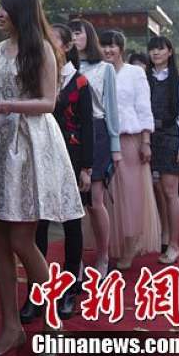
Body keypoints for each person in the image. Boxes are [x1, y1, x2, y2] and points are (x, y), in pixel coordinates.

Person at [0, 0, 83, 356]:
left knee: (22, 239)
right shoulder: (0, 49)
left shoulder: (43, 50)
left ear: (19, 10)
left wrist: (3, 103)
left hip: (31, 144)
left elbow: (48, 102)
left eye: (4, 8)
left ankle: (54, 321)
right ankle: (11, 329)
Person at [27, 23, 94, 321]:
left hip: (72, 157)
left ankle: (69, 288)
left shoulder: (79, 82)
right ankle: (36, 292)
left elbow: (89, 128)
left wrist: (87, 169)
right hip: (41, 156)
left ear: (67, 47)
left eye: (52, 39)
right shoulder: (37, 76)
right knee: (37, 224)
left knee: (71, 224)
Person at [100, 30, 160, 268]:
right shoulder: (97, 71)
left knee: (132, 194)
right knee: (109, 195)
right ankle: (111, 245)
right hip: (104, 140)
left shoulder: (135, 73)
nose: (108, 50)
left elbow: (144, 107)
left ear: (121, 49)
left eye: (112, 46)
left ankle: (131, 245)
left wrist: (145, 141)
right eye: (104, 46)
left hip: (130, 139)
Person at [68, 19, 121, 278]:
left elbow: (111, 109)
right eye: (71, 33)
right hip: (69, 133)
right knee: (72, 202)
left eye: (78, 32)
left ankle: (103, 255)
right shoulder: (63, 68)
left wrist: (115, 146)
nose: (74, 37)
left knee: (95, 200)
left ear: (88, 35)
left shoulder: (104, 69)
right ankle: (74, 261)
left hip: (97, 133)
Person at [147, 35, 179, 264]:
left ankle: (174, 245)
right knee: (155, 190)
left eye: (160, 49)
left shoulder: (177, 81)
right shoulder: (144, 78)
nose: (156, 53)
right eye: (152, 49)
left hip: (170, 137)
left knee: (170, 192)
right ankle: (164, 233)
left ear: (170, 52)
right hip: (148, 137)